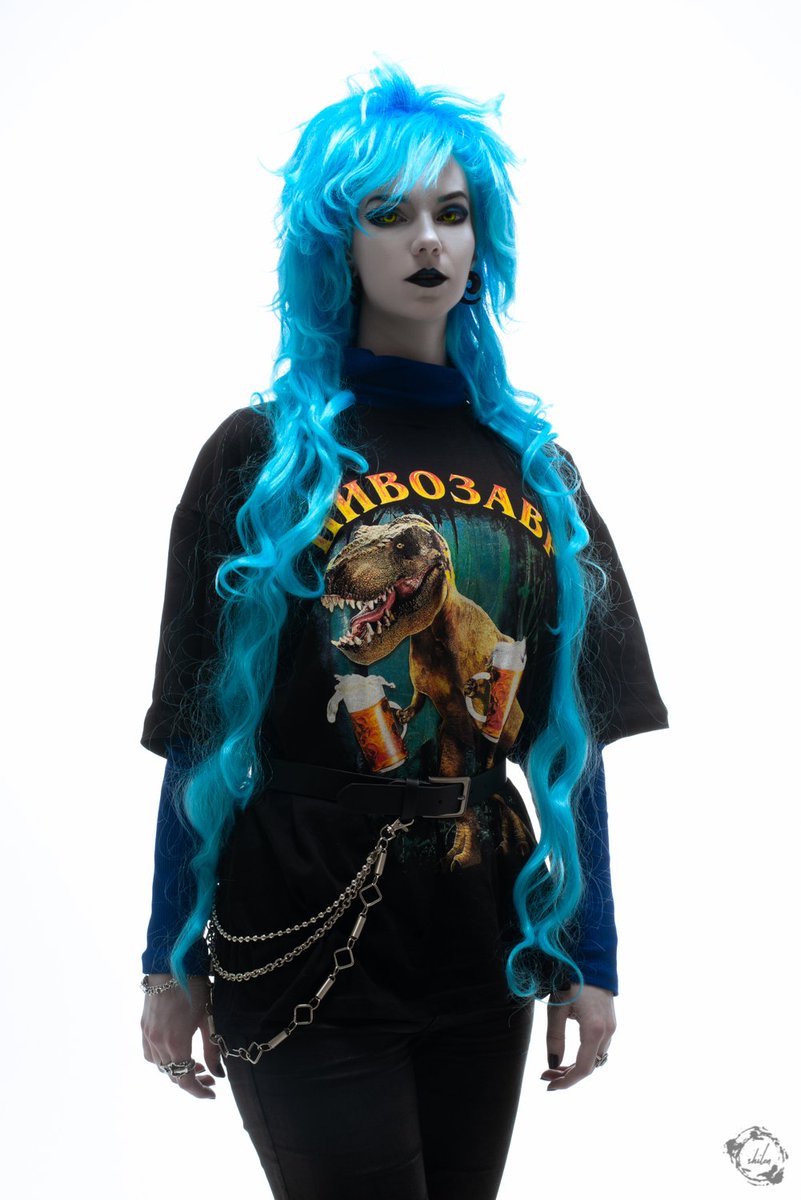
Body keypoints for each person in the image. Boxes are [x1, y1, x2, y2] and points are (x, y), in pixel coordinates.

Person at [139, 64, 668, 1200]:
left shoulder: (539, 471)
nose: (428, 239)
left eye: (452, 211)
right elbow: (194, 734)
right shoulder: (260, 457)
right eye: (389, 213)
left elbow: (571, 741)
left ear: (483, 239)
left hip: (481, 930)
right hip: (299, 926)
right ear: (337, 241)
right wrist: (166, 958)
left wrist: (591, 953)